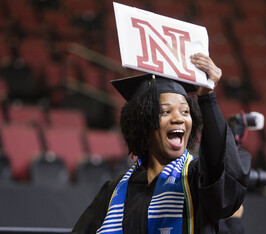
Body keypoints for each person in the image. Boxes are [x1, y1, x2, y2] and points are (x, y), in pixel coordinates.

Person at [72, 53, 251, 234]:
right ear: (143, 123)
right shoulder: (113, 192)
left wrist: (207, 97)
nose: (179, 118)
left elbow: (223, 172)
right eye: (166, 112)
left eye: (185, 111)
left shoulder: (197, 180)